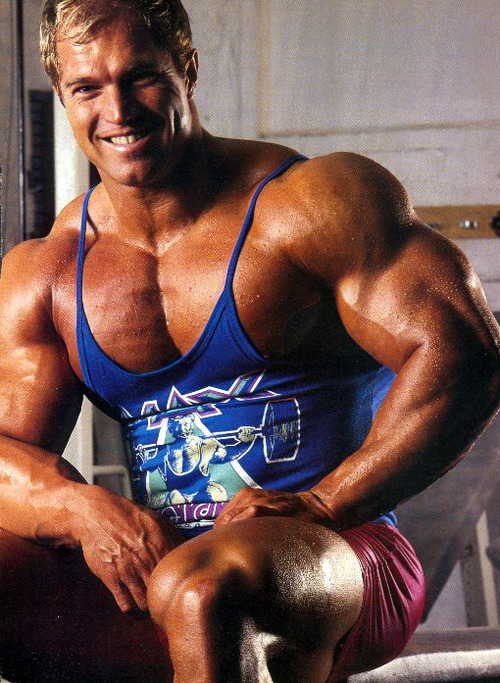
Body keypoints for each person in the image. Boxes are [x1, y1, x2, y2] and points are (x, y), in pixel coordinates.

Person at [0, 0, 498, 681]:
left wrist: (324, 503)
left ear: (187, 69)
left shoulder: (312, 203)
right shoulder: (49, 270)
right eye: (87, 88)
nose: (117, 110)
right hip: (167, 567)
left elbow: (466, 355)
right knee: (181, 585)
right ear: (63, 97)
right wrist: (81, 508)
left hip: (341, 557)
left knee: (207, 593)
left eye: (140, 77)